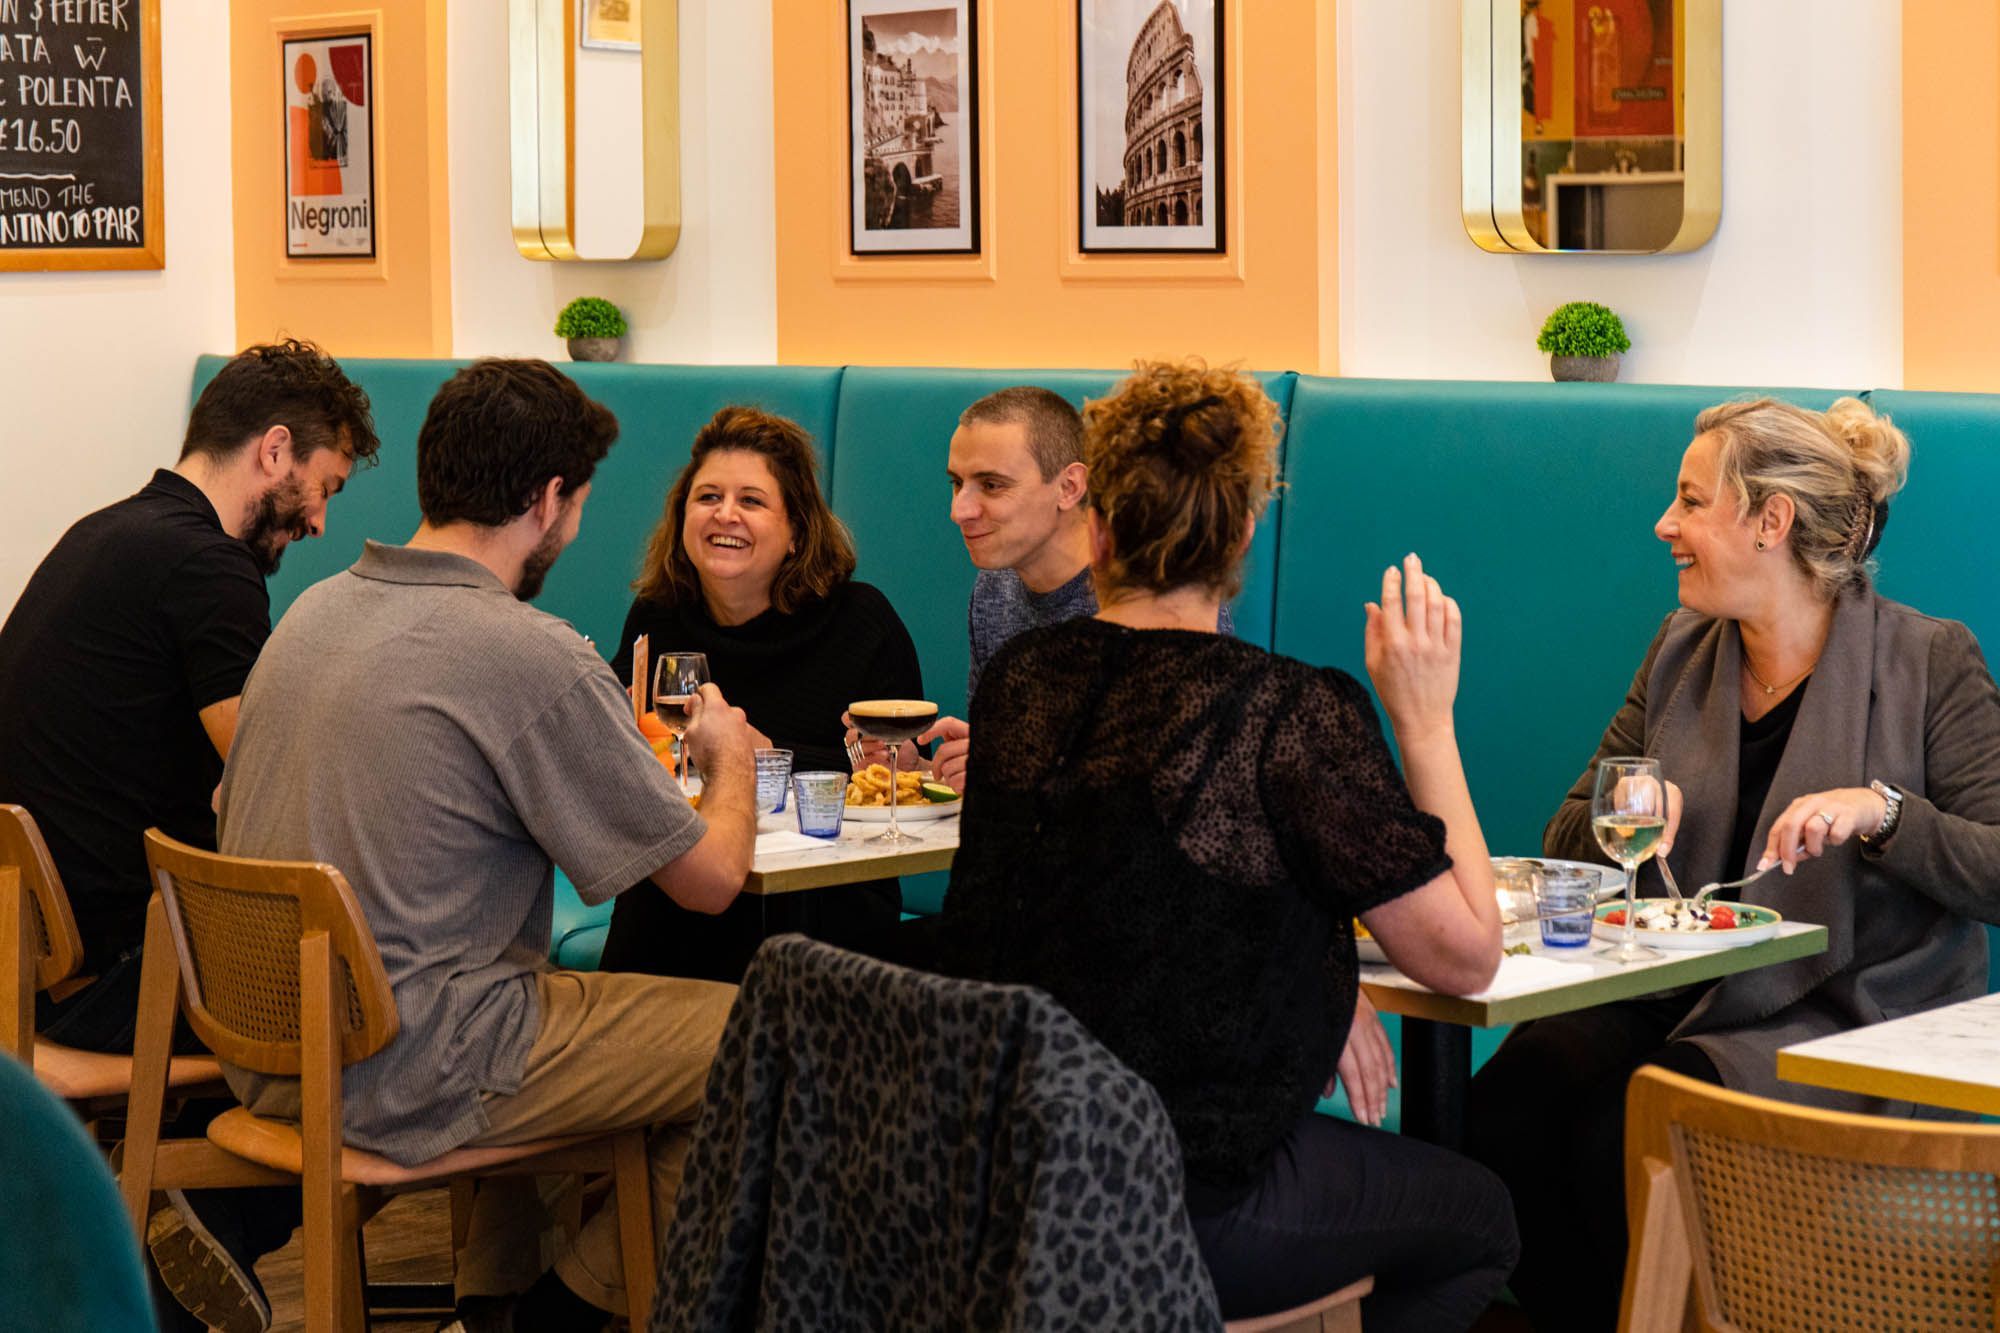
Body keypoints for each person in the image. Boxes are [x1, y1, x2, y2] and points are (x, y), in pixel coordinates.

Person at [935, 360, 1518, 1332]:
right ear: (1243, 535)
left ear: (1098, 527)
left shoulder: (1021, 682)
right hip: (1173, 1207)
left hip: (992, 1183)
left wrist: (1323, 979)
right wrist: (1424, 723)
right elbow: (1464, 958)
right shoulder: (1286, 711)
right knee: (1479, 1219)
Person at [216, 359, 759, 1332]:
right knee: (769, 1039)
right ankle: (565, 1311)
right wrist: (730, 761)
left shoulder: (311, 611)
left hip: (273, 1046)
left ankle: (492, 1300)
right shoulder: (528, 651)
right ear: (547, 499)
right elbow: (712, 881)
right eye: (579, 502)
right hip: (408, 1063)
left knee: (527, 985)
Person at [1466, 396, 2000, 1333]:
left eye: (1688, 501)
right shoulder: (1679, 652)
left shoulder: (1929, 661)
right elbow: (1564, 835)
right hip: (1678, 993)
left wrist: (1884, 814)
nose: (1663, 526)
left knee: (1621, 1134)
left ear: (1770, 521)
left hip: (1843, 1020)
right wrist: (1618, 817)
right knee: (1507, 1104)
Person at [0, 338, 377, 1333]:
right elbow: (268, 773)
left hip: (33, 960)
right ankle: (210, 1219)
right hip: (120, 975)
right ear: (276, 449)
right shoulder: (204, 565)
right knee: (387, 1015)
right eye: (322, 487)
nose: (320, 520)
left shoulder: (107, 531)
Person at [599, 405, 923, 983]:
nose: (726, 514)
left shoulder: (862, 623)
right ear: (681, 517)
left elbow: (892, 778)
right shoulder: (658, 616)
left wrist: (759, 757)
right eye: (707, 497)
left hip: (823, 897)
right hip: (682, 889)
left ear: (797, 529)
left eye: (751, 500)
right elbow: (627, 749)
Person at [914, 385, 1231, 791]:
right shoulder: (994, 587)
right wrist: (920, 769)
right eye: (957, 483)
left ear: (1069, 487)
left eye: (992, 486)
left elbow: (1194, 784)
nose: (959, 511)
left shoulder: (1155, 595)